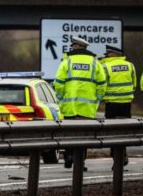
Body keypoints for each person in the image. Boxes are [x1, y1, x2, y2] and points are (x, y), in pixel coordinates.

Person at [54, 36, 107, 169]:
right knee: (84, 136)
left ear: (77, 47)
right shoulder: (95, 63)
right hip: (87, 108)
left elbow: (59, 82)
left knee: (69, 133)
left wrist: (60, 97)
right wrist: (97, 99)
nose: (71, 48)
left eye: (73, 46)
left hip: (69, 106)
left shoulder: (67, 61)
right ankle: (80, 162)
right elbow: (102, 84)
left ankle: (69, 156)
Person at [101, 44, 136, 118]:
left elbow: (102, 84)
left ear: (114, 54)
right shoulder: (130, 65)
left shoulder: (105, 66)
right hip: (127, 101)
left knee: (111, 125)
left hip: (111, 101)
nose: (107, 55)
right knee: (126, 124)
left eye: (108, 53)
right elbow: (134, 83)